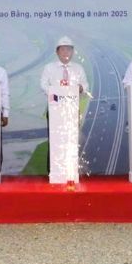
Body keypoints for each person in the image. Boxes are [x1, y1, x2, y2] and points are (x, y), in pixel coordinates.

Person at [38, 36, 90, 174]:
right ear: (57, 52)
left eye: (69, 49)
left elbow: (85, 85)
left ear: (72, 52)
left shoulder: (78, 68)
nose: (66, 52)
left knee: (71, 140)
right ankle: (52, 172)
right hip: (54, 110)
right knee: (55, 141)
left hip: (72, 110)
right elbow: (43, 84)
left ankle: (71, 171)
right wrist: (55, 92)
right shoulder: (49, 68)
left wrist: (81, 88)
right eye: (63, 49)